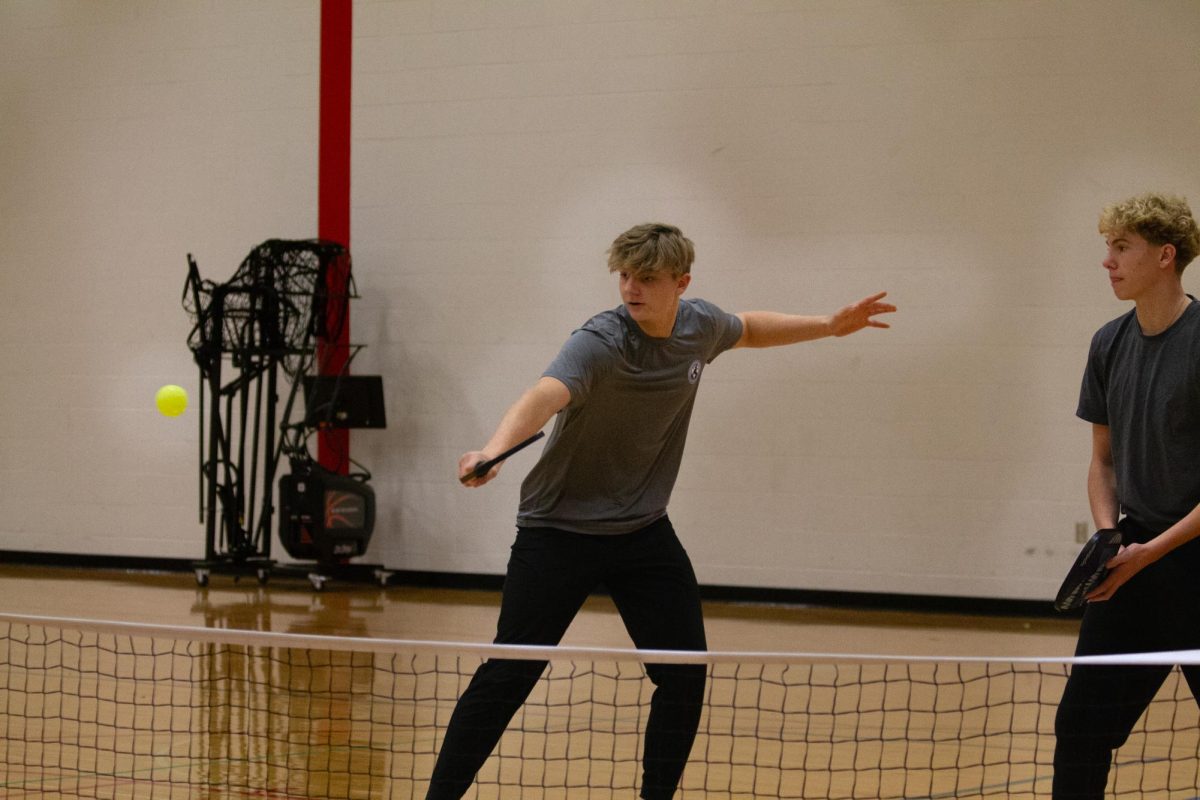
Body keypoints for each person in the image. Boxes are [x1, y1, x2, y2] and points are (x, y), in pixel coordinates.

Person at [425, 222, 895, 800]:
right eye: (624, 276)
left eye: (646, 278)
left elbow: (748, 329)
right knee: (510, 674)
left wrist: (828, 325)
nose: (630, 289)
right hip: (558, 531)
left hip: (642, 533)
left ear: (681, 283)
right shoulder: (599, 341)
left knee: (684, 673)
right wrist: (494, 449)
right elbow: (544, 394)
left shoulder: (699, 327)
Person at [1054, 192, 1200, 798]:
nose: (1107, 262)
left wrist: (1151, 551)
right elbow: (1102, 461)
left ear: (1165, 256)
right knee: (1081, 727)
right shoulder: (1107, 343)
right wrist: (1111, 535)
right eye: (1106, 249)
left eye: (1121, 249)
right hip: (1134, 563)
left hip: (1191, 556)